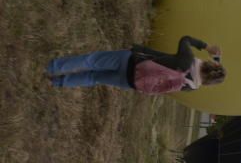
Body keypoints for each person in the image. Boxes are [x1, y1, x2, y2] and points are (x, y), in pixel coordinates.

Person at [46, 35, 225, 93]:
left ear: (211, 64)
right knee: (95, 78)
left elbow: (185, 39)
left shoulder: (187, 59)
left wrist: (207, 47)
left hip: (132, 61)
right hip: (133, 83)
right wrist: (214, 65)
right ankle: (57, 82)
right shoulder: (192, 86)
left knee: (91, 61)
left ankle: (52, 67)